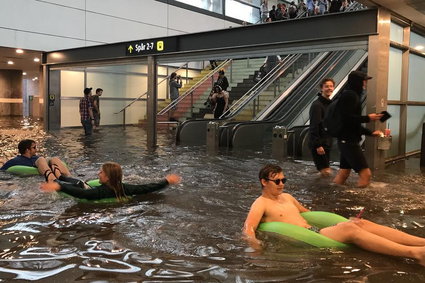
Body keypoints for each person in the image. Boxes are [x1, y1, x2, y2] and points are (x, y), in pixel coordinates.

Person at [243, 164, 425, 266]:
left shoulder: (288, 197)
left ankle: (421, 242)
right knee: (351, 230)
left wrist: (341, 222)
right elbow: (248, 229)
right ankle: (414, 253)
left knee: (361, 223)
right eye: (277, 181)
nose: (282, 184)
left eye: (284, 180)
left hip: (315, 229)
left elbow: (310, 215)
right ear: (264, 182)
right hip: (311, 236)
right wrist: (256, 248)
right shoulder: (261, 204)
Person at [333, 71, 383, 188]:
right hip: (348, 141)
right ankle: (359, 204)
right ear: (357, 81)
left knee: (344, 173)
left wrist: (370, 133)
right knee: (366, 174)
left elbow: (353, 124)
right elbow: (347, 119)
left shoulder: (352, 95)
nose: (365, 83)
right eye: (363, 80)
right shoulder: (350, 96)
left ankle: (332, 195)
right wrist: (368, 118)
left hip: (347, 140)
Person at [40, 161, 181, 201]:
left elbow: (82, 194)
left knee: (74, 182)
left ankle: (55, 173)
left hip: (81, 187)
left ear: (107, 177)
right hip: (83, 186)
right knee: (74, 181)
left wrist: (59, 187)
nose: (98, 173)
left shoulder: (100, 192)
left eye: (101, 172)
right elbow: (146, 188)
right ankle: (58, 173)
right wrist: (166, 181)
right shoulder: (124, 188)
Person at [0, 139, 71, 182]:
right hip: (35, 177)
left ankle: (70, 178)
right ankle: (52, 180)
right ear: (27, 150)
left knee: (54, 159)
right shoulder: (15, 161)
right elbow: (2, 171)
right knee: (41, 159)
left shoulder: (36, 157)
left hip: (43, 168)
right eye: (34, 147)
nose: (36, 149)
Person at [309, 78, 335, 177]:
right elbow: (314, 126)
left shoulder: (330, 104)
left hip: (327, 142)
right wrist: (318, 145)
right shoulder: (317, 105)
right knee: (325, 171)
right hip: (319, 144)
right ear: (321, 88)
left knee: (325, 171)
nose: (329, 88)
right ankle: (319, 191)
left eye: (331, 86)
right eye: (326, 86)